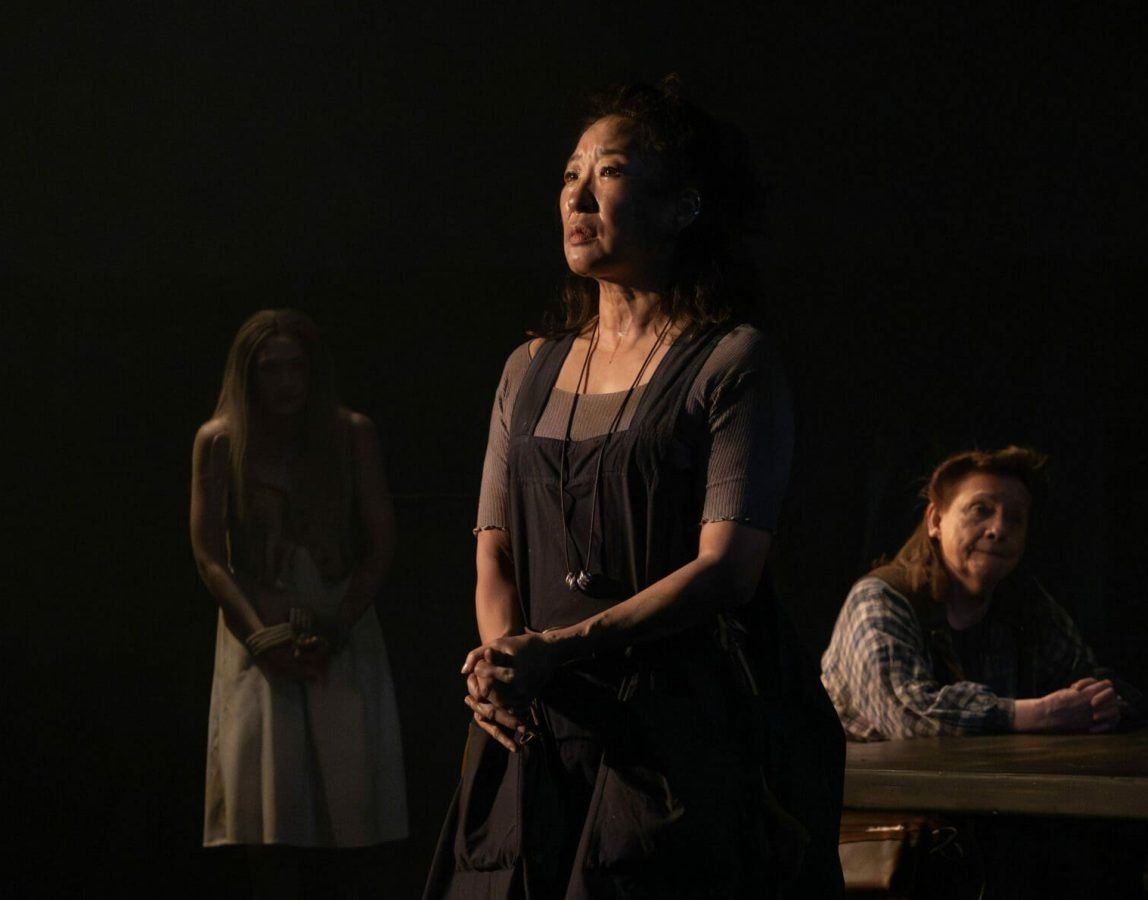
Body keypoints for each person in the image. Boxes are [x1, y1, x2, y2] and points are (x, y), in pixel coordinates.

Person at [424, 77, 845, 899]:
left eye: (609, 171)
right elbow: (494, 552)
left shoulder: (730, 362)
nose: (577, 195)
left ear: (681, 206)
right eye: (570, 174)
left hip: (670, 738)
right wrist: (502, 665)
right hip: (534, 733)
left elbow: (728, 570)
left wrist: (558, 649)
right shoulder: (529, 368)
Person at [821, 445, 1147, 897]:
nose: (999, 529)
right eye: (981, 510)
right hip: (890, 835)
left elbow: (1090, 674)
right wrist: (1040, 713)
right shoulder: (882, 599)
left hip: (988, 820)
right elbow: (909, 715)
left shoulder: (1023, 605)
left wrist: (1106, 701)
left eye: (1015, 518)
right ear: (935, 521)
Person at [190, 308, 408, 898]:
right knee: (268, 811)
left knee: (351, 801)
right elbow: (209, 557)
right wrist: (261, 637)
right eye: (271, 369)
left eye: (295, 367)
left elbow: (381, 543)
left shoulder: (349, 434)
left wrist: (337, 627)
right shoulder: (220, 440)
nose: (286, 382)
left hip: (338, 619)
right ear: (249, 374)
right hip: (256, 624)